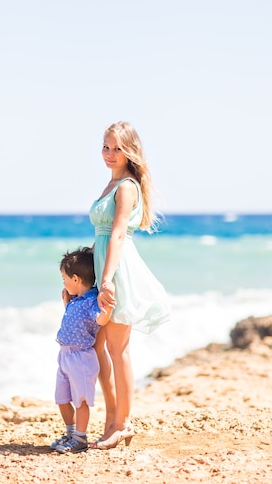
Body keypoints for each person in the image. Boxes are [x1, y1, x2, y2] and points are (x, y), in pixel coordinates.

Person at [89, 121, 170, 450]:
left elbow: (119, 234)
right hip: (103, 267)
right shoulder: (111, 183)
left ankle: (121, 423)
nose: (110, 154)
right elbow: (103, 235)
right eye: (106, 147)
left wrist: (107, 278)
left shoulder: (126, 186)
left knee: (117, 349)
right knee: (99, 348)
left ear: (130, 151)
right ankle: (113, 418)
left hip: (118, 269)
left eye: (117, 148)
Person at [50, 247, 114, 454]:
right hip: (65, 355)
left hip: (81, 357)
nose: (63, 283)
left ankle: (80, 438)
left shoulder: (91, 300)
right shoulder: (75, 299)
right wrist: (66, 303)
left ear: (76, 279)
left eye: (64, 279)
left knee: (81, 401)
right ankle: (70, 433)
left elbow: (100, 319)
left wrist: (107, 311)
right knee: (62, 398)